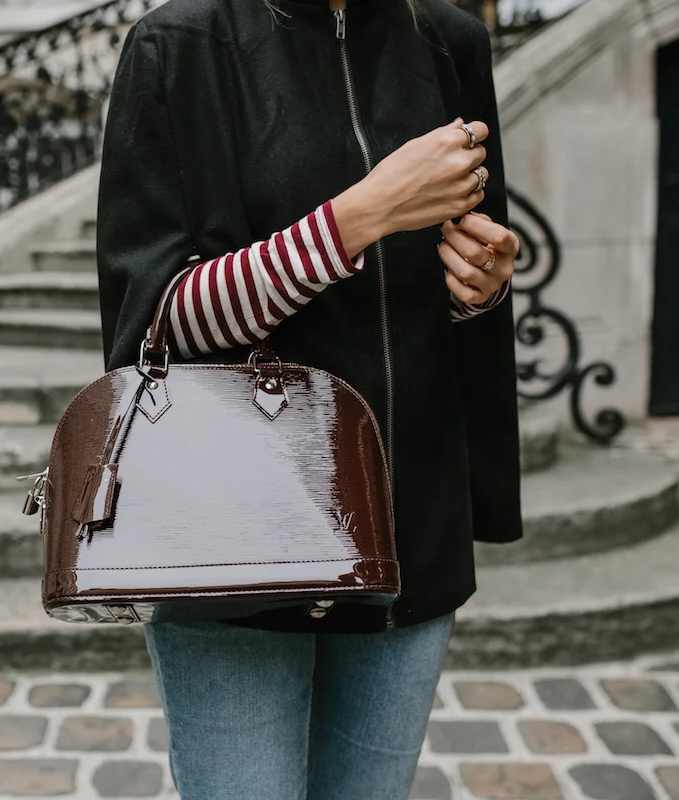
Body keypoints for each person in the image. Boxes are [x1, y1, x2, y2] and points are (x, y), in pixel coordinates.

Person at [94, 0, 523, 796]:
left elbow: (460, 279)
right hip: (233, 541)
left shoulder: (446, 41)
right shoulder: (179, 45)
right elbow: (158, 325)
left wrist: (480, 288)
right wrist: (358, 218)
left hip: (407, 521)